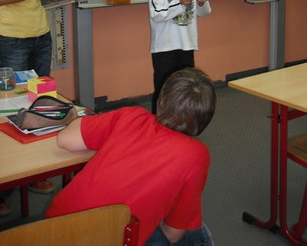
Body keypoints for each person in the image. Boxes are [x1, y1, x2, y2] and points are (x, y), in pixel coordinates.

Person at [46, 67, 217, 246]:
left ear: (161, 99)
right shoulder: (196, 155)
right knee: (198, 234)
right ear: (206, 117)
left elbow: (65, 139)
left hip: (49, 230)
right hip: (106, 237)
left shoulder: (131, 116)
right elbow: (173, 235)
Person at [0, 0, 75, 215]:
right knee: (10, 108)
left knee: (39, 104)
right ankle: (5, 185)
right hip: (11, 39)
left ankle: (34, 170)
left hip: (40, 34)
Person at [147, 0, 211, 113]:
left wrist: (202, 2)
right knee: (164, 92)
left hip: (187, 44)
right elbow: (157, 13)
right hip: (164, 46)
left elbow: (204, 13)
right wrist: (179, 2)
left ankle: (183, 123)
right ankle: (157, 126)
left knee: (186, 92)